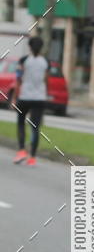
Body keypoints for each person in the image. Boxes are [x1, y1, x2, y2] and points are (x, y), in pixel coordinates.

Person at [13, 36, 48, 166]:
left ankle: (22, 150)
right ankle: (32, 157)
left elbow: (18, 79)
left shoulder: (23, 60)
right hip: (39, 98)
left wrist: (15, 97)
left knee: (21, 124)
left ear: (29, 46)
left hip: (25, 97)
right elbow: (46, 79)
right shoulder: (45, 62)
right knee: (35, 127)